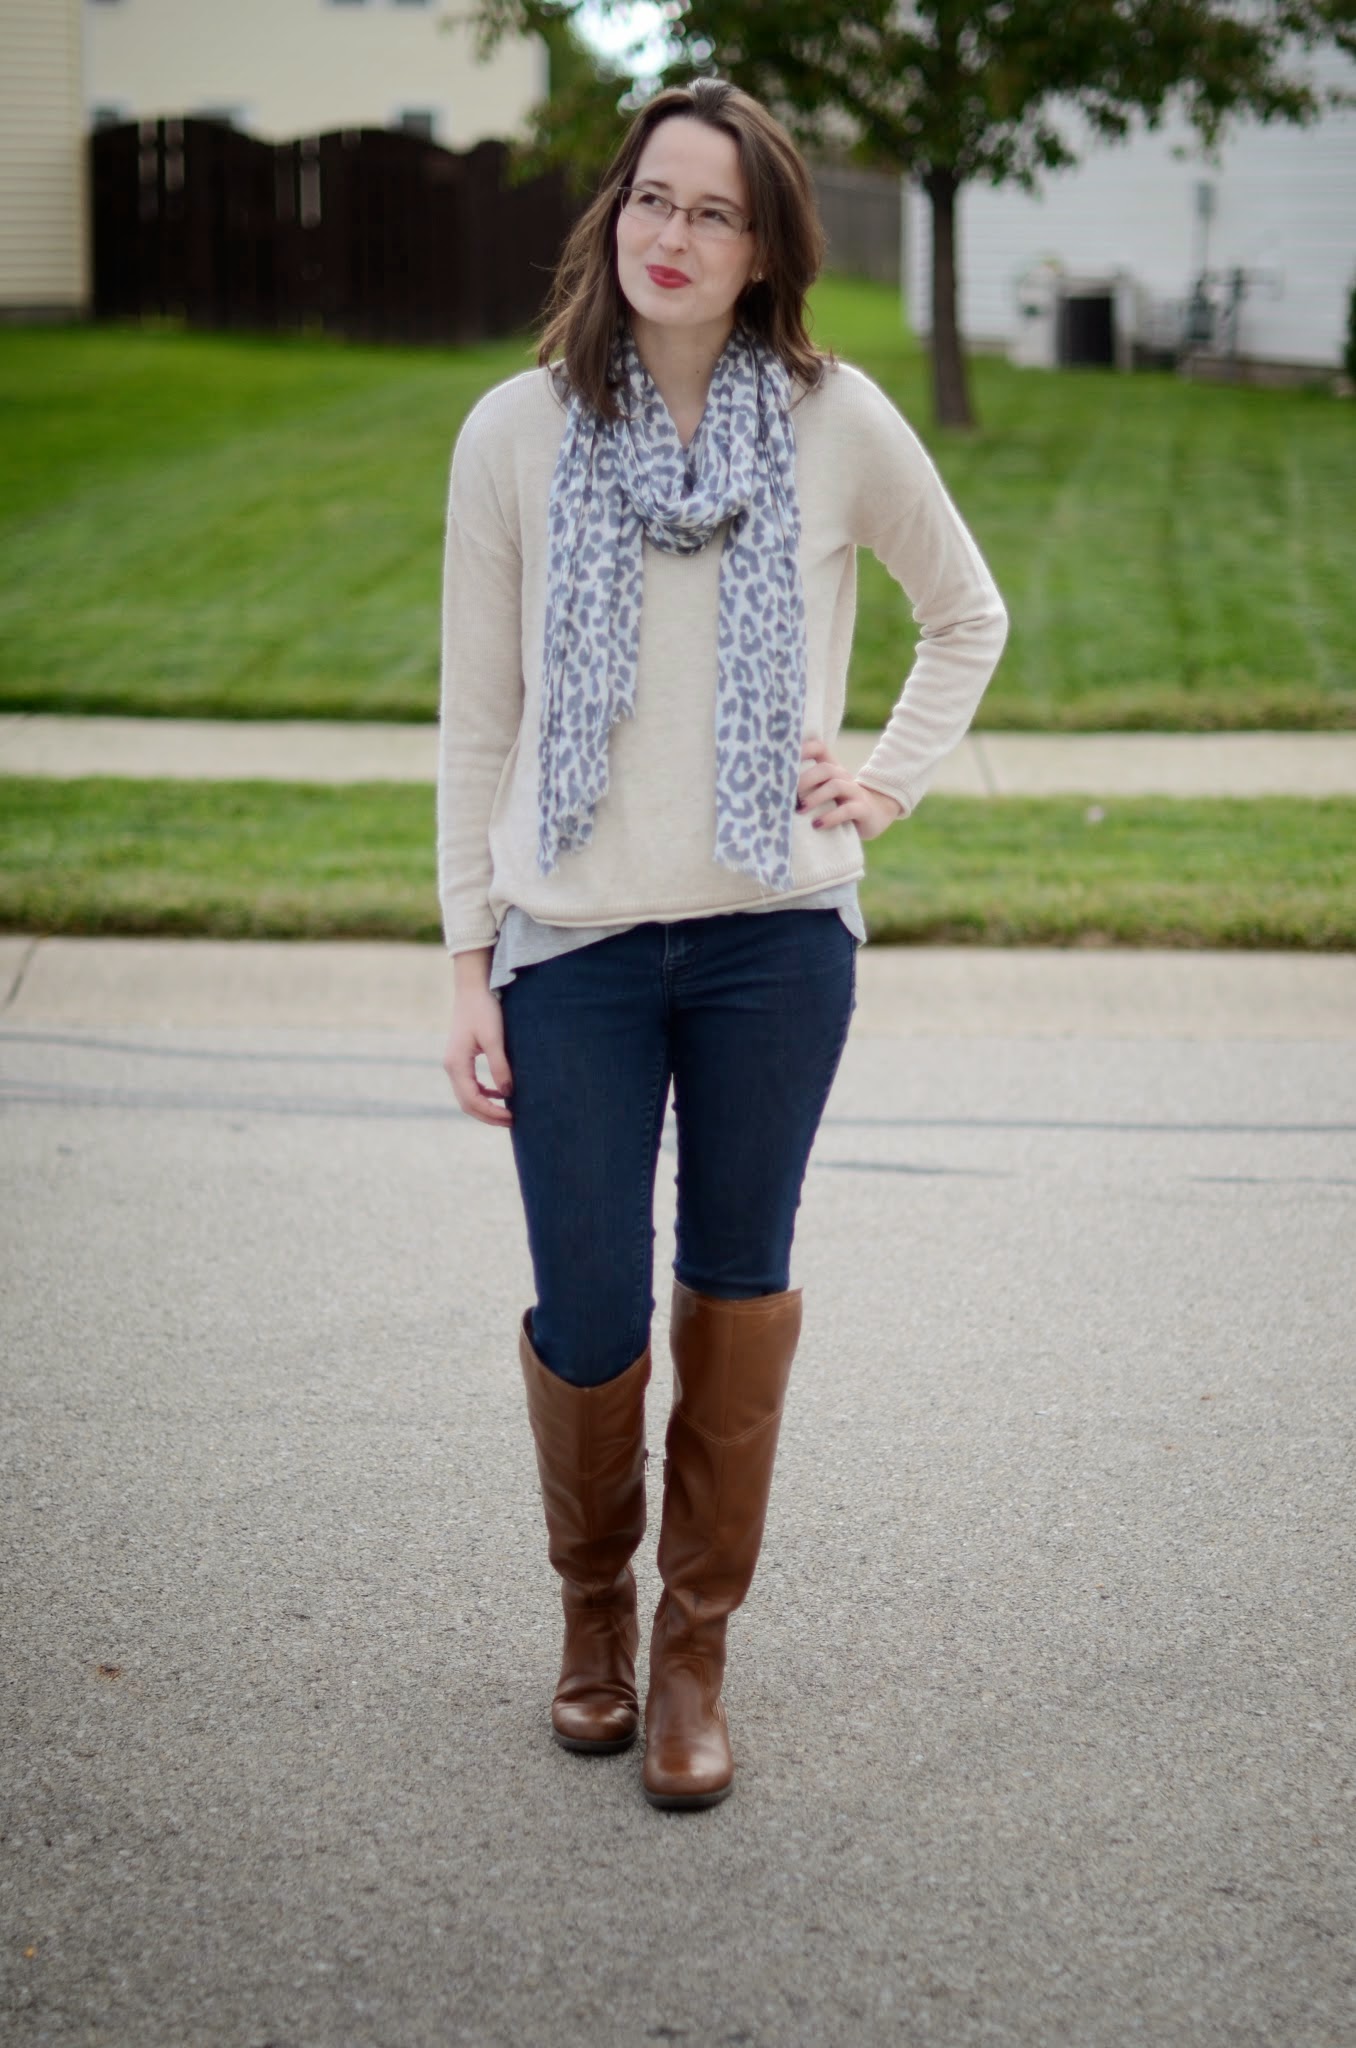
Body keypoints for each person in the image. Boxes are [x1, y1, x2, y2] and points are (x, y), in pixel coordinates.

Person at [438, 78, 1006, 1811]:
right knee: (590, 1308)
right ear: (613, 214)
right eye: (652, 200)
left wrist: (881, 783)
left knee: (740, 1288)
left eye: (714, 213)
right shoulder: (515, 433)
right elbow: (480, 719)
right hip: (575, 945)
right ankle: (592, 1622)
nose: (672, 237)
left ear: (765, 250)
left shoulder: (835, 421)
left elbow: (967, 613)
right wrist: (467, 959)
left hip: (775, 940)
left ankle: (694, 1651)